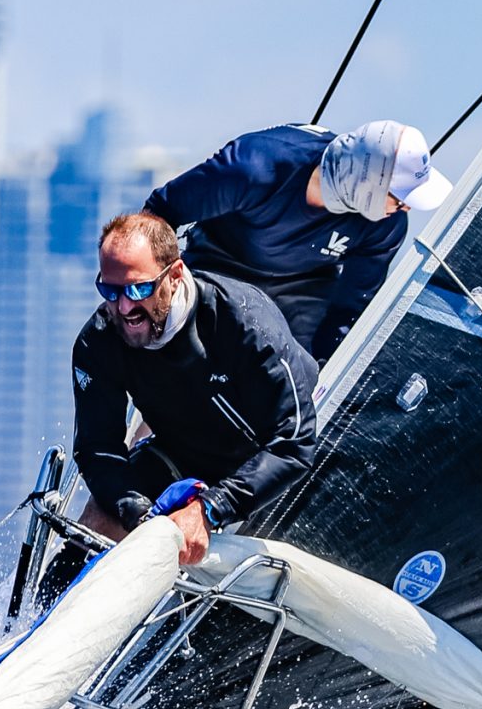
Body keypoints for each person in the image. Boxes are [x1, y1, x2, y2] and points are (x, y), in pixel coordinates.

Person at [69, 211, 317, 570]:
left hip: (267, 463)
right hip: (182, 454)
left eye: (138, 289)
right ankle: (36, 608)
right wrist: (135, 512)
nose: (124, 307)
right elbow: (98, 449)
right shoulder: (99, 340)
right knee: (97, 524)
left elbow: (295, 443)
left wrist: (211, 508)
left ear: (175, 275)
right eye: (111, 290)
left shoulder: (243, 321)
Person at [143, 118, 453, 363]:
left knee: (295, 374)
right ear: (366, 186)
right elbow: (158, 214)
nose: (406, 208)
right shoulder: (254, 168)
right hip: (218, 265)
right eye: (400, 198)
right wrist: (153, 295)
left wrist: (324, 370)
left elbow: (348, 310)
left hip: (306, 288)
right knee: (192, 360)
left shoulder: (387, 225)